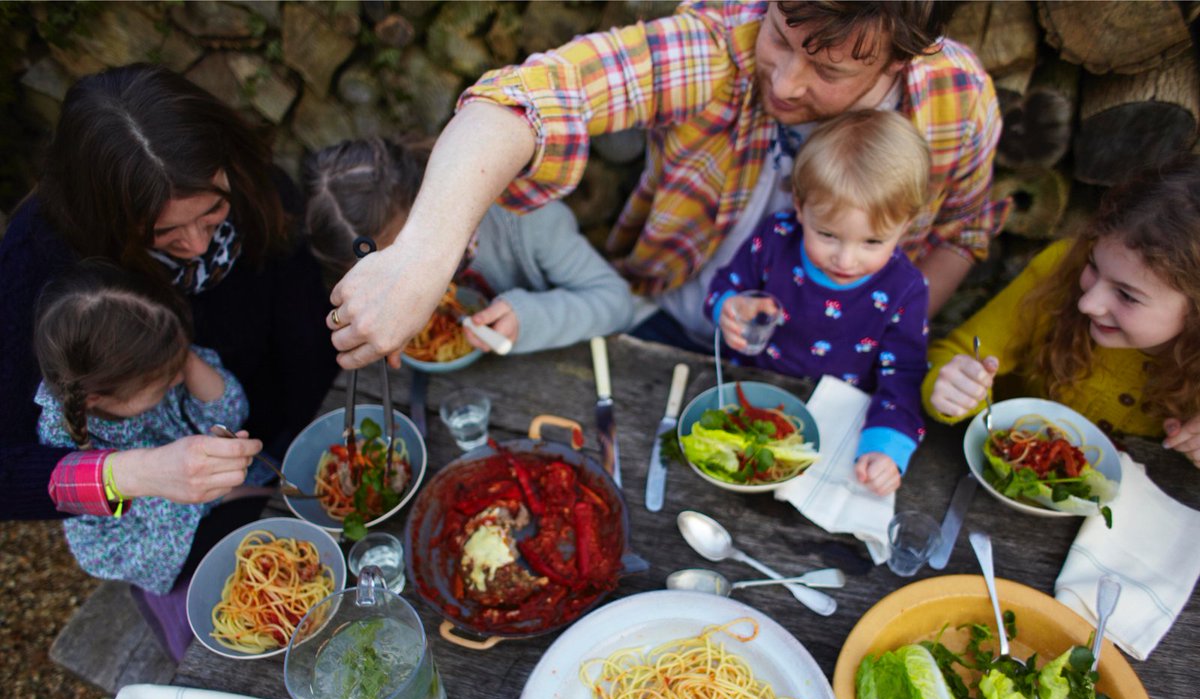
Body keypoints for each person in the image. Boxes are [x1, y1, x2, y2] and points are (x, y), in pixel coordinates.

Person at [325, 1, 1006, 369]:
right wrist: (421, 256)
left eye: (828, 72)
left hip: (839, 364)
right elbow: (533, 96)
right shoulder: (717, 42)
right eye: (781, 38)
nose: (786, 83)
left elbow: (962, 231)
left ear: (900, 58)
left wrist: (877, 335)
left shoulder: (956, 100)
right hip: (672, 325)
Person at [0, 63, 339, 521]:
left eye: (214, 210)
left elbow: (304, 341)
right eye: (163, 231)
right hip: (162, 513)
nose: (198, 246)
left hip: (281, 449)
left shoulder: (256, 183)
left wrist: (316, 444)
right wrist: (139, 473)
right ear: (106, 215)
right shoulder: (39, 261)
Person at [923, 154, 1200, 469]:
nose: (1087, 303)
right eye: (1093, 266)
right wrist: (951, 390)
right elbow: (955, 354)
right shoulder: (1059, 270)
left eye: (1126, 295)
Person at [708, 110, 930, 495]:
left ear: (905, 225)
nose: (845, 260)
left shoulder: (904, 288)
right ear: (800, 206)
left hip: (839, 427)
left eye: (872, 242)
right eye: (827, 234)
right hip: (751, 397)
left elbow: (905, 376)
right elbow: (724, 286)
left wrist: (886, 449)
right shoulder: (776, 239)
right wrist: (729, 308)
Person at [34, 260, 249, 594]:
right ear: (95, 398)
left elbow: (232, 412)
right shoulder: (65, 442)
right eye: (167, 379)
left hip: (213, 496)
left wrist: (185, 357)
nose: (179, 378)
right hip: (164, 544)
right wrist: (240, 494)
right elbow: (164, 512)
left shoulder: (155, 357)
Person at [303, 137, 633, 354]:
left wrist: (528, 318)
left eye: (401, 257)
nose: (395, 284)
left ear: (424, 198)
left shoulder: (523, 217)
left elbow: (617, 302)